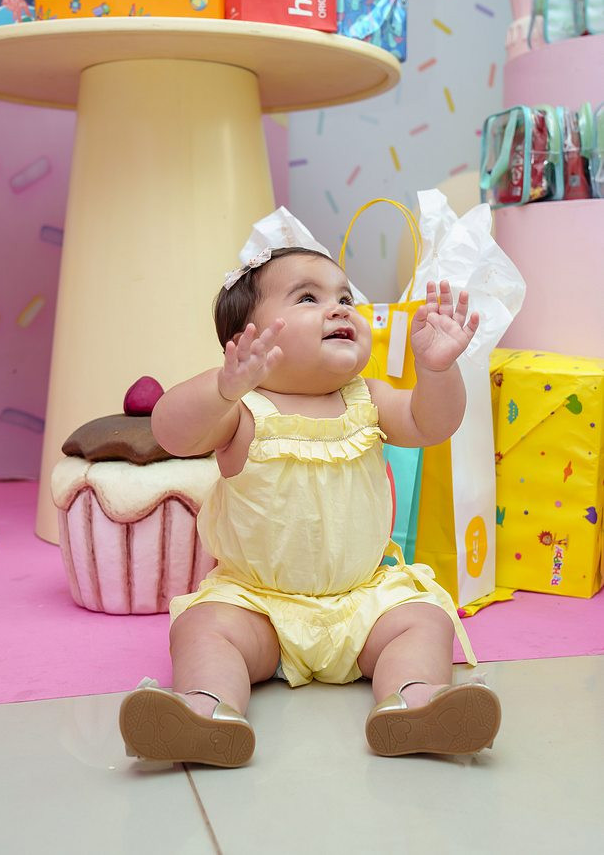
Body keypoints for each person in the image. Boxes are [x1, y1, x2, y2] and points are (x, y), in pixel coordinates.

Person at [119, 244, 501, 767]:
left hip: (362, 602)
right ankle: (206, 709)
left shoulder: (368, 398)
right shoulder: (241, 412)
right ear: (246, 339)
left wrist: (435, 372)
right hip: (256, 606)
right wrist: (223, 388)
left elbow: (431, 424)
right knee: (203, 627)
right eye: (307, 298)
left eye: (345, 298)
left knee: (424, 617)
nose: (339, 309)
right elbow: (172, 433)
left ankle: (416, 701)